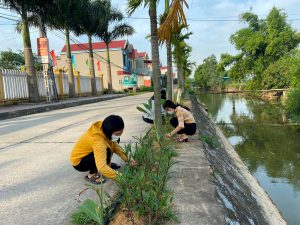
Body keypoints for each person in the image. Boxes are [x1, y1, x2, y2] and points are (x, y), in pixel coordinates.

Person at [70, 115, 135, 184]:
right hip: (79, 163)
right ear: (109, 132)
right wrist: (122, 178)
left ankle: (107, 164)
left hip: (88, 153)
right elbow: (102, 167)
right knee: (107, 151)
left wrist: (128, 159)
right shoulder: (98, 141)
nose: (119, 135)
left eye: (121, 132)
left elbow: (115, 147)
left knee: (111, 144)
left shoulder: (104, 127)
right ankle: (92, 174)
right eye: (117, 134)